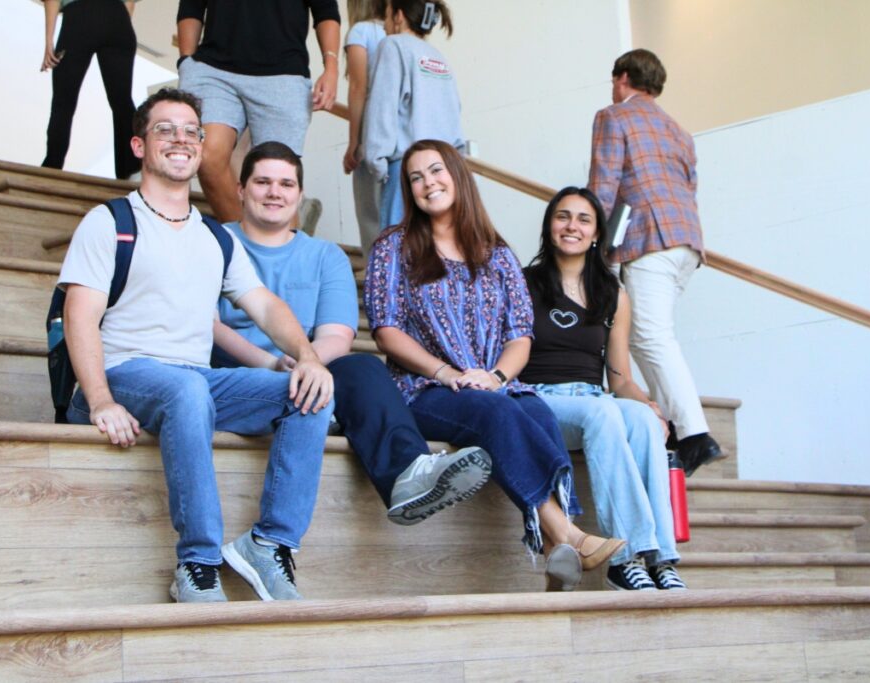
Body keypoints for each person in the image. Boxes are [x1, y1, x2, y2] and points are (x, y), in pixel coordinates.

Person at [58, 88, 335, 603]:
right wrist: (100, 399)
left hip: (193, 379)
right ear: (139, 145)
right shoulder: (110, 222)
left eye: (192, 131)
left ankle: (270, 543)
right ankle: (199, 563)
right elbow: (80, 316)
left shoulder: (216, 237)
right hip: (126, 371)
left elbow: (267, 306)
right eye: (166, 129)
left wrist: (311, 358)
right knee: (187, 390)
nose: (181, 139)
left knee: (311, 393)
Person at [364, 139, 625, 591]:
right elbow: (386, 330)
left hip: (491, 384)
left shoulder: (497, 253)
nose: (428, 183)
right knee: (501, 412)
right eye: (416, 177)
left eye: (436, 170)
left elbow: (520, 335)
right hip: (424, 388)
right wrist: (446, 373)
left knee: (535, 410)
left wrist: (497, 375)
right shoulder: (395, 247)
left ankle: (553, 551)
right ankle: (565, 534)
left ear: (458, 176)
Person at [212, 140, 493, 525]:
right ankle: (322, 407)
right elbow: (206, 325)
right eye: (262, 182)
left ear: (300, 193)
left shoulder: (326, 256)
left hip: (306, 370)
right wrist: (275, 363)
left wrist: (305, 365)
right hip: (232, 369)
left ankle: (408, 473)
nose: (275, 192)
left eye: (286, 184)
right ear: (241, 190)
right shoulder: (212, 241)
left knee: (363, 368)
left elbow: (337, 336)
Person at [520, 187, 687, 591]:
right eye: (562, 216)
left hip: (593, 400)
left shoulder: (614, 294)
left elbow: (618, 377)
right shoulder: (524, 282)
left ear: (596, 233)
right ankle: (623, 557)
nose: (571, 226)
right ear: (549, 226)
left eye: (583, 219)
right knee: (605, 412)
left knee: (641, 421)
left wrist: (649, 405)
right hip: (537, 399)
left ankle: (659, 556)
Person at [588, 48, 722, 477]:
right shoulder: (680, 131)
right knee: (650, 336)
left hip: (650, 240)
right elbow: (690, 188)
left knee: (650, 337)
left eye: (614, 79)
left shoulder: (614, 117)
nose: (612, 87)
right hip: (686, 243)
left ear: (623, 77)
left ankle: (695, 435)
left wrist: (591, 240)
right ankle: (673, 432)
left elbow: (604, 185)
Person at [176, 0, 341, 222]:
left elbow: (326, 11)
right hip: (213, 70)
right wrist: (186, 61)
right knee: (206, 157)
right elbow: (191, 6)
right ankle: (243, 246)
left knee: (277, 177)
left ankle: (279, 252)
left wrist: (331, 68)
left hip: (283, 74)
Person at [362, 0, 463, 232]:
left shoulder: (392, 46)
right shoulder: (438, 57)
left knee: (399, 253)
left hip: (407, 172)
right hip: (445, 172)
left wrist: (377, 164)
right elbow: (454, 113)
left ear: (398, 16)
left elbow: (382, 109)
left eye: (386, 15)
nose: (384, 24)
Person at [40, 0, 141, 179]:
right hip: (119, 18)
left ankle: (52, 167)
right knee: (122, 101)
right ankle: (131, 169)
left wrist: (49, 41)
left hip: (80, 16)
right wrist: (118, 25)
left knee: (64, 102)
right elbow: (130, 3)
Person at [341, 0, 386, 254]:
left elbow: (359, 88)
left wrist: (354, 142)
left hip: (372, 133)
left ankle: (378, 280)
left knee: (371, 216)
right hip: (402, 140)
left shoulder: (361, 32)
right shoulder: (399, 33)